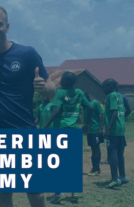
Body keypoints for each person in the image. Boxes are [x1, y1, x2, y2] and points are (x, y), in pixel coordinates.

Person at [0, 5, 56, 207]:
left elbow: (52, 89)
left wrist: (43, 87)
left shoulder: (27, 54)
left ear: (7, 27)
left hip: (25, 132)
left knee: (36, 194)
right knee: (2, 194)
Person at [44, 71, 93, 204]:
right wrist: (86, 124)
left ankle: (59, 193)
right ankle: (75, 192)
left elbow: (57, 111)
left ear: (63, 82)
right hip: (73, 131)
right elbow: (90, 107)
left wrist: (45, 126)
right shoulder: (79, 93)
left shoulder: (60, 93)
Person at [100, 78, 129, 189]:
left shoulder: (111, 96)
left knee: (112, 154)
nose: (103, 89)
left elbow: (115, 112)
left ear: (111, 87)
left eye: (105, 87)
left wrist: (107, 129)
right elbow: (123, 111)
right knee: (120, 154)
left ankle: (114, 179)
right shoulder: (119, 96)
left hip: (113, 129)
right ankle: (123, 176)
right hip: (121, 129)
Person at [83, 93, 104, 176]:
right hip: (89, 130)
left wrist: (101, 128)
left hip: (96, 129)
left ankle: (96, 168)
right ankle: (94, 167)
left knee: (96, 148)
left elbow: (103, 114)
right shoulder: (85, 106)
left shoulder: (95, 103)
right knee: (93, 148)